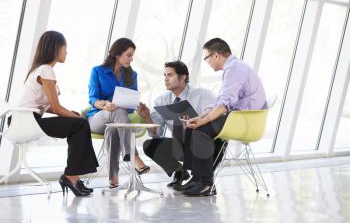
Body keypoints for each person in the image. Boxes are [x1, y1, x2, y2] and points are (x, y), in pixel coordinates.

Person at [181, 38, 267, 197]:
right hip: (240, 118)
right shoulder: (234, 68)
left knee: (200, 130)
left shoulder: (233, 69)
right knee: (192, 127)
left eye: (206, 58)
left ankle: (206, 183)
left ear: (216, 56)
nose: (206, 62)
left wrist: (203, 121)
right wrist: (200, 118)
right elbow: (219, 103)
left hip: (245, 121)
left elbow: (225, 104)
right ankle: (198, 178)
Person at [18, 31, 98, 197]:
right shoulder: (46, 70)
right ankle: (71, 176)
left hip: (24, 120)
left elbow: (48, 107)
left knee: (78, 124)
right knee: (81, 123)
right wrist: (75, 117)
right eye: (65, 47)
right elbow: (55, 106)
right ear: (56, 48)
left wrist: (70, 114)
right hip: (26, 121)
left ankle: (72, 175)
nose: (66, 52)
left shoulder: (40, 69)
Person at [137, 61, 224, 189]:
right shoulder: (162, 100)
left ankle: (202, 180)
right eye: (165, 75)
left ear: (182, 78)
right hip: (181, 144)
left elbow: (216, 111)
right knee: (150, 145)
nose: (165, 79)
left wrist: (198, 119)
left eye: (170, 75)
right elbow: (157, 133)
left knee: (206, 139)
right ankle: (180, 172)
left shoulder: (202, 94)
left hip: (204, 144)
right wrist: (147, 117)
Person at [87, 38, 149, 189]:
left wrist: (136, 107)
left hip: (117, 120)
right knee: (117, 113)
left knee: (113, 128)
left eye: (132, 55)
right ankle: (134, 157)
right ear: (117, 54)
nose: (131, 58)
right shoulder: (98, 71)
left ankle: (113, 178)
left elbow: (129, 105)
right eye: (129, 55)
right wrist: (104, 104)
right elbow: (92, 98)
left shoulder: (131, 76)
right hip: (98, 118)